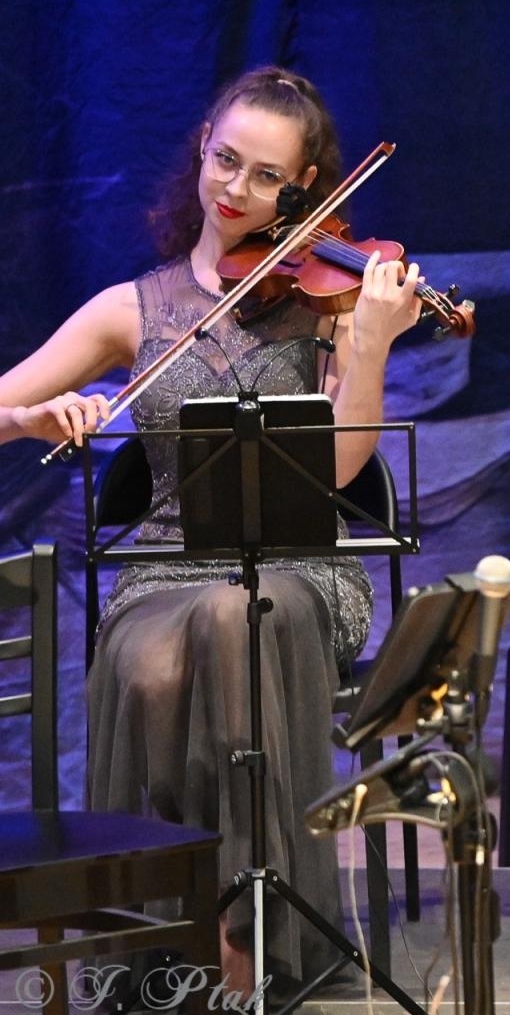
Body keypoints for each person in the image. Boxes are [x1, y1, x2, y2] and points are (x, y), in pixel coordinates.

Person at [0, 66, 420, 991]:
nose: (236, 190)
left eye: (267, 177)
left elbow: (340, 473)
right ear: (202, 149)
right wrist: (33, 419)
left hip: (302, 567)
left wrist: (374, 342)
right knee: (161, 654)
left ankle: (243, 945)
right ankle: (168, 941)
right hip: (165, 569)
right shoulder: (133, 310)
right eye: (225, 161)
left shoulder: (330, 301)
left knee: (237, 618)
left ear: (306, 188)